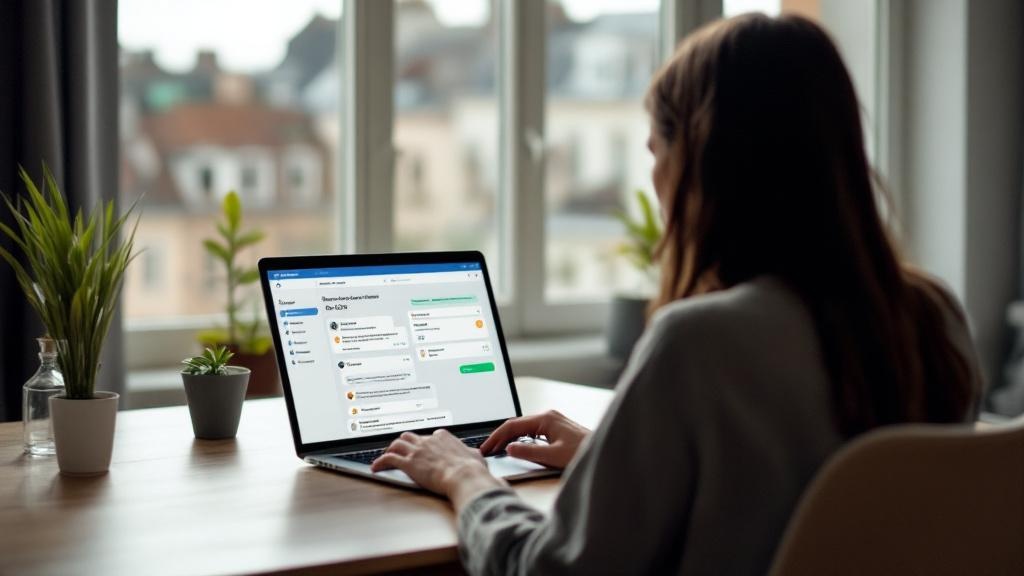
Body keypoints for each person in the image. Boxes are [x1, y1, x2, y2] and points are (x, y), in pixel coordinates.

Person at [371, 13, 983, 575]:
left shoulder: (702, 340)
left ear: (704, 165)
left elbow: (550, 571)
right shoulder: (933, 318)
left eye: (658, 150)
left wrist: (464, 478)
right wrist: (609, 459)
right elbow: (803, 497)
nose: (654, 176)